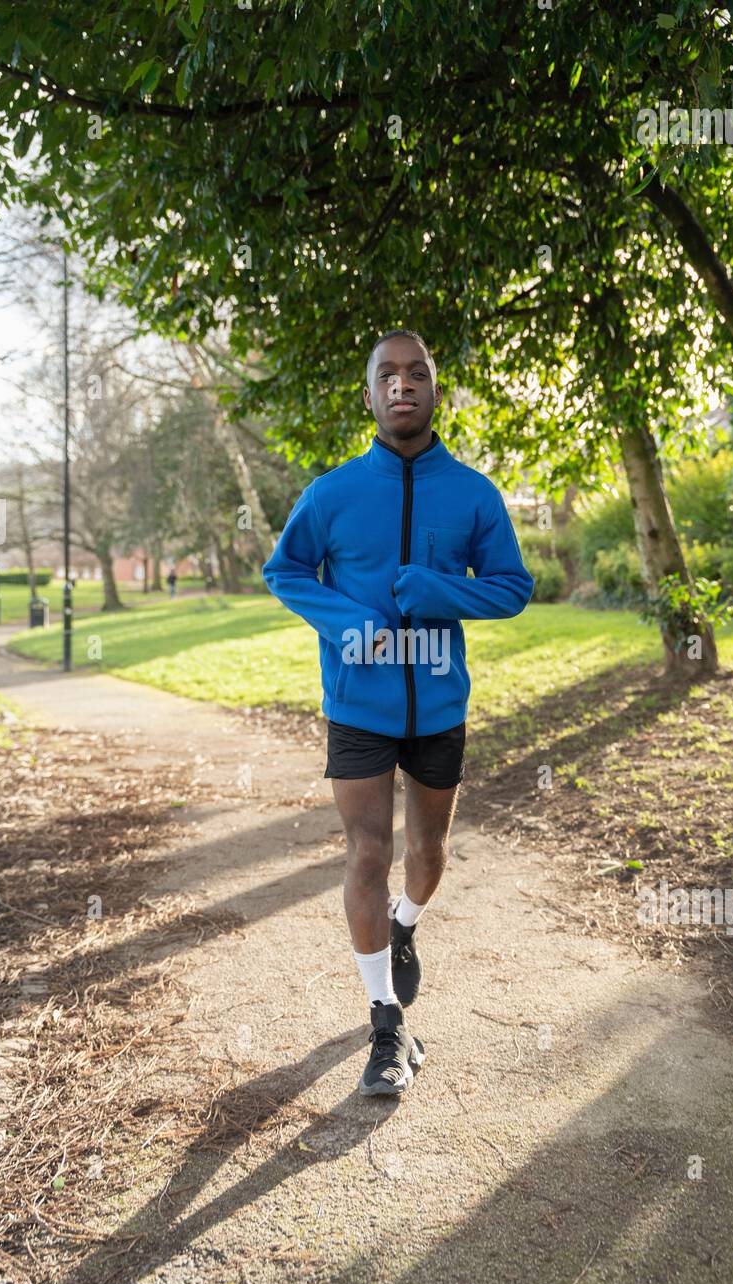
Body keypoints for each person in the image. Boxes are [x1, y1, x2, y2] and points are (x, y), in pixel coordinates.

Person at [262, 329, 534, 1098]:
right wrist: (348, 623)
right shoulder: (332, 492)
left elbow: (513, 587)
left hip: (440, 704)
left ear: (434, 390)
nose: (403, 384)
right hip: (359, 705)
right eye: (388, 374)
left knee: (428, 854)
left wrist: (439, 591)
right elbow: (283, 570)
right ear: (371, 394)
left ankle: (406, 924)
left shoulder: (475, 493)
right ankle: (387, 1024)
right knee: (365, 854)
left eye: (418, 373)